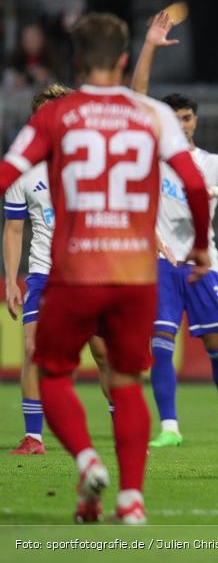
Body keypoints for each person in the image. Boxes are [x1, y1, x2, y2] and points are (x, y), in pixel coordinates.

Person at [0, 12, 211, 525]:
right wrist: (201, 244)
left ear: (74, 61)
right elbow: (196, 186)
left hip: (74, 270)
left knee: (51, 372)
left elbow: (8, 173)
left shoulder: (56, 117)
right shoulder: (152, 115)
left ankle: (88, 460)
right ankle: (131, 499)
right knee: (124, 382)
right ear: (120, 60)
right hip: (134, 275)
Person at [131, 12, 218, 449]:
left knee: (217, 342)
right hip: (161, 261)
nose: (180, 124)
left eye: (186, 117)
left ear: (195, 121)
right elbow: (137, 95)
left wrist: (209, 192)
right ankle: (170, 427)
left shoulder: (212, 163)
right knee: (161, 341)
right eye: (173, 118)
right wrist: (149, 47)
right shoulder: (154, 155)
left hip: (203, 261)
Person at [4, 84, 110, 456]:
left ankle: (122, 424)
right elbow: (14, 228)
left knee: (103, 353)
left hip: (89, 271)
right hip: (43, 273)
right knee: (33, 349)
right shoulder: (23, 170)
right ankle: (34, 437)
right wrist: (10, 280)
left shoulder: (95, 163)